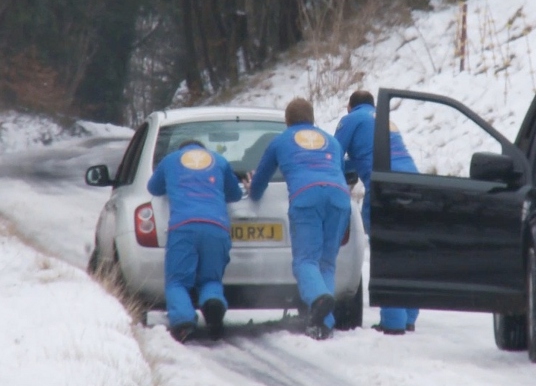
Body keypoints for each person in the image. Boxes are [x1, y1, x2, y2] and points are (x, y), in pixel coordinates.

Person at [243, 97, 351, 340]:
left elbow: (259, 183)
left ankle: (318, 299)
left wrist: (252, 189)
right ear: (312, 119)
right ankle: (325, 323)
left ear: (287, 120)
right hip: (339, 198)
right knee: (326, 263)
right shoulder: (331, 142)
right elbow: (339, 173)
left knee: (305, 261)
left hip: (306, 197)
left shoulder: (280, 141)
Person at [334, 90, 419, 335]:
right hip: (415, 183)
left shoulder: (351, 120)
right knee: (408, 250)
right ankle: (409, 316)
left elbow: (332, 155)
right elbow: (367, 155)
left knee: (386, 250)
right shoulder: (385, 120)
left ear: (350, 106)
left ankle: (393, 321)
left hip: (386, 188)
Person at [147, 139, 243, 343]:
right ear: (203, 150)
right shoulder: (220, 161)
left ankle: (183, 323)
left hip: (183, 227)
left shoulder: (170, 160)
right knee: (211, 279)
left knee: (178, 281)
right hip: (216, 227)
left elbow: (153, 188)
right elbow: (235, 194)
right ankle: (213, 304)